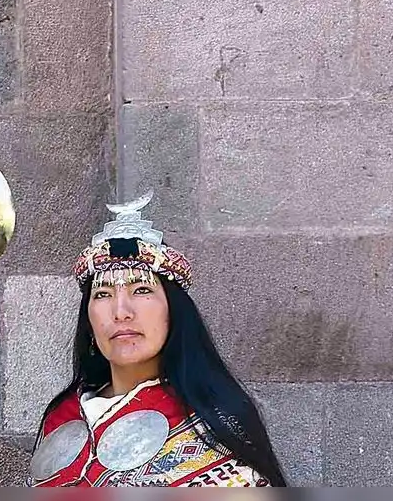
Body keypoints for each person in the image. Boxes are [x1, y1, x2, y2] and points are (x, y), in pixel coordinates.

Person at [29, 192, 287, 487]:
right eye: (103, 294)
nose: (121, 311)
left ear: (173, 312)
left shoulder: (214, 425)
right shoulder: (63, 417)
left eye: (141, 291)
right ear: (88, 321)